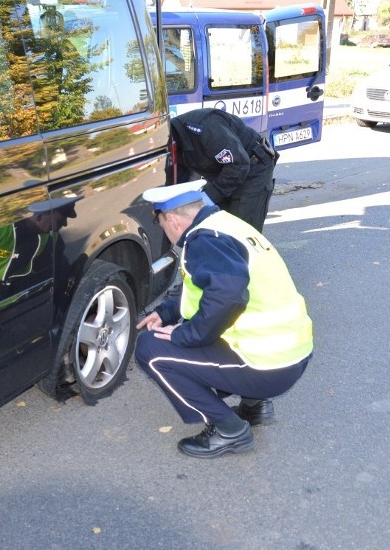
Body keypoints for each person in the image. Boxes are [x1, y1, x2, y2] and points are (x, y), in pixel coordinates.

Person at [134, 183, 313, 458]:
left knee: (150, 350)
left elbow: (228, 297)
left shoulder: (205, 240)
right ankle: (255, 406)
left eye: (159, 223)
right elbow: (210, 287)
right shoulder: (226, 224)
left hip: (267, 364)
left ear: (171, 219)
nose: (164, 231)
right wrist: (170, 312)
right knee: (208, 328)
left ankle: (230, 431)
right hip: (290, 352)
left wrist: (185, 335)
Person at [167, 108, 279, 232]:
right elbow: (181, 178)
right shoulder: (173, 141)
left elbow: (239, 164)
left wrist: (207, 197)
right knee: (218, 230)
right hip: (225, 173)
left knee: (242, 232)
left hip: (253, 167)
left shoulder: (206, 129)